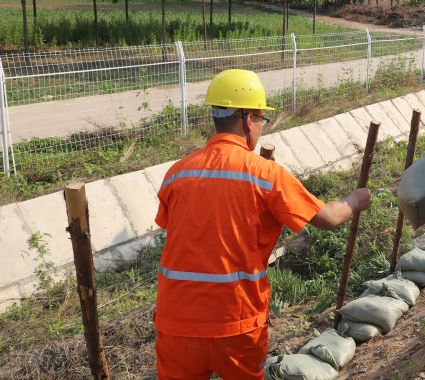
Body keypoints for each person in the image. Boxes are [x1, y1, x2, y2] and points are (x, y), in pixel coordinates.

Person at [153, 69, 372, 379]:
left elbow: (179, 231)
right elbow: (327, 218)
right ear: (248, 119)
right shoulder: (264, 175)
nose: (260, 127)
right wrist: (353, 201)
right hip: (237, 322)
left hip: (176, 322)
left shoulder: (177, 173)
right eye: (260, 120)